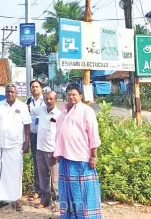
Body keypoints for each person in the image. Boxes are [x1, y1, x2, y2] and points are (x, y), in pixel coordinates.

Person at [54, 84, 103, 219]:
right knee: (67, 192)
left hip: (81, 158)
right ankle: (70, 216)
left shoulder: (86, 111)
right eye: (69, 94)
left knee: (84, 192)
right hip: (65, 158)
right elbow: (59, 133)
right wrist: (57, 153)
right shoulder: (63, 111)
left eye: (74, 94)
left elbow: (93, 134)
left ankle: (87, 217)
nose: (71, 97)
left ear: (80, 96)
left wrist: (94, 156)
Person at [0, 84, 31, 211]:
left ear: (16, 93)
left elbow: (27, 125)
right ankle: (2, 198)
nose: (10, 94)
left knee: (16, 173)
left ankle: (17, 200)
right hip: (1, 145)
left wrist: (27, 142)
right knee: (1, 173)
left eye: (12, 92)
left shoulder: (22, 106)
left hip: (16, 145)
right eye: (8, 91)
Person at [34, 91, 61, 213]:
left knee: (55, 179)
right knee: (43, 177)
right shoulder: (40, 110)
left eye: (51, 99)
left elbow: (61, 135)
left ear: (55, 99)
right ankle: (45, 200)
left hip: (52, 151)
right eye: (46, 99)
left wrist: (58, 151)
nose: (49, 101)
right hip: (40, 149)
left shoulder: (59, 115)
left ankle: (57, 202)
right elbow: (28, 109)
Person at [26, 80, 45, 203]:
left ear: (41, 88)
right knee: (37, 163)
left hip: (45, 136)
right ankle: (38, 190)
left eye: (37, 87)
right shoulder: (27, 102)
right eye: (33, 87)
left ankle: (49, 191)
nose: (35, 89)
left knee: (48, 163)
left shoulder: (46, 101)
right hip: (33, 136)